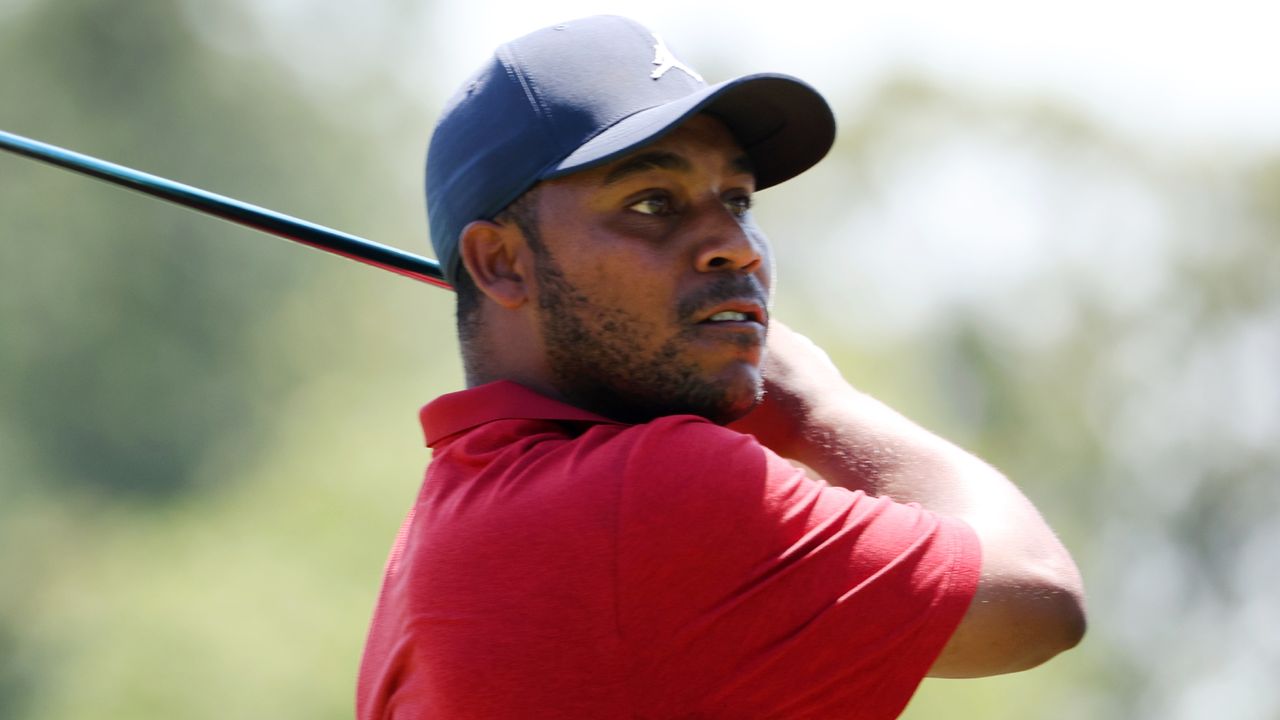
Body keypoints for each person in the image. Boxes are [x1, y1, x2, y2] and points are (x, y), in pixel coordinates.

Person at [357, 15, 1085, 719]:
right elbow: (1036, 596)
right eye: (652, 203)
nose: (736, 247)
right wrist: (820, 408)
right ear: (502, 263)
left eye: (736, 200)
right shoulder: (644, 492)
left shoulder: (436, 530)